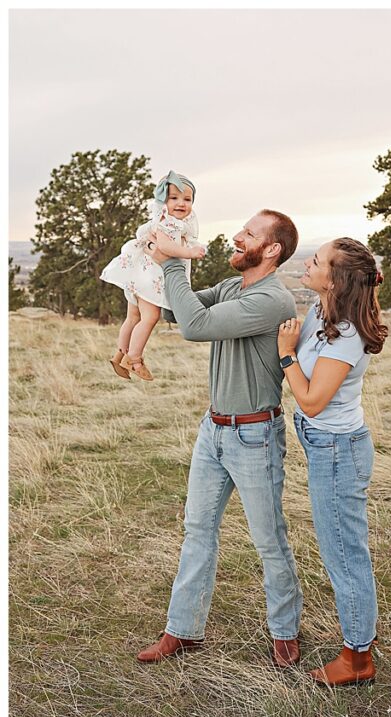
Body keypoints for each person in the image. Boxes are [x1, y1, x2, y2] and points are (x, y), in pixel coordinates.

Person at [135, 209, 305, 669]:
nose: (236, 236)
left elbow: (196, 327)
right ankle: (183, 630)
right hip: (213, 431)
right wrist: (163, 252)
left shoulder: (273, 300)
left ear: (271, 249)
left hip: (254, 435)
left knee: (268, 539)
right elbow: (178, 310)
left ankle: (285, 632)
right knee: (198, 531)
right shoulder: (234, 287)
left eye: (248, 233)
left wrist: (174, 260)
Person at [276, 237, 387, 686]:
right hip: (325, 445)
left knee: (343, 552)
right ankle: (361, 638)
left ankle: (358, 658)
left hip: (338, 450)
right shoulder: (323, 311)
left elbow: (311, 400)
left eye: (317, 260)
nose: (308, 262)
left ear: (336, 280)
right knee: (341, 547)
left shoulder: (347, 334)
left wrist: (285, 353)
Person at [100, 170, 206, 381]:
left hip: (137, 278)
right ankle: (134, 359)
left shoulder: (161, 221)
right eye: (174, 198)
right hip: (150, 280)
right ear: (163, 201)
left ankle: (119, 354)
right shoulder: (168, 223)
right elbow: (165, 247)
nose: (181, 203)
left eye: (187, 199)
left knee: (133, 317)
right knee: (150, 318)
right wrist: (190, 252)